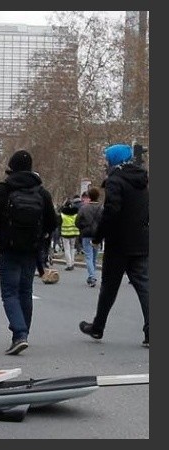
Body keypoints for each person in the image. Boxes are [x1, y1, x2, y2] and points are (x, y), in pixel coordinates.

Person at [0, 150, 57, 355]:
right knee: (25, 290)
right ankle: (24, 333)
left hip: (8, 247)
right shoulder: (41, 193)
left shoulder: (2, 190)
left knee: (9, 292)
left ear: (11, 168)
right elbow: (52, 222)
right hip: (32, 249)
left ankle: (19, 333)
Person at [79, 144, 149, 347]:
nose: (105, 163)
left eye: (106, 159)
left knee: (109, 287)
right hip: (141, 240)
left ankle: (98, 327)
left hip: (118, 243)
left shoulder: (115, 181)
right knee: (144, 286)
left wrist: (99, 235)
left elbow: (111, 211)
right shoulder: (142, 181)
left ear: (114, 160)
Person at [75, 186, 103, 287]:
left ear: (90, 196)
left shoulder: (84, 208)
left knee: (88, 256)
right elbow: (104, 221)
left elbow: (77, 221)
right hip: (98, 234)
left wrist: (82, 228)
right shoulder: (101, 208)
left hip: (86, 233)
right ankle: (92, 275)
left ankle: (92, 276)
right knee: (94, 256)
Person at [58, 197, 81, 271]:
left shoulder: (62, 213)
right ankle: (72, 263)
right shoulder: (75, 212)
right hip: (74, 233)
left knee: (67, 249)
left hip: (65, 233)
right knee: (72, 248)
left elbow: (59, 221)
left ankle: (69, 264)